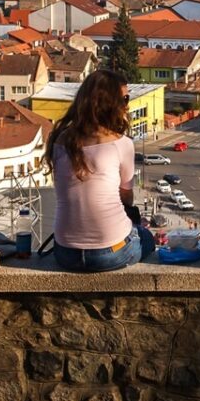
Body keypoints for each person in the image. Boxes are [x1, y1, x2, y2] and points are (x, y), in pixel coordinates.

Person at [46, 69, 155, 272]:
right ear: (109, 104)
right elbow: (127, 199)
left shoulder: (60, 141)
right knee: (146, 237)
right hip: (110, 253)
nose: (127, 105)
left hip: (65, 253)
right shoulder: (122, 144)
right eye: (124, 99)